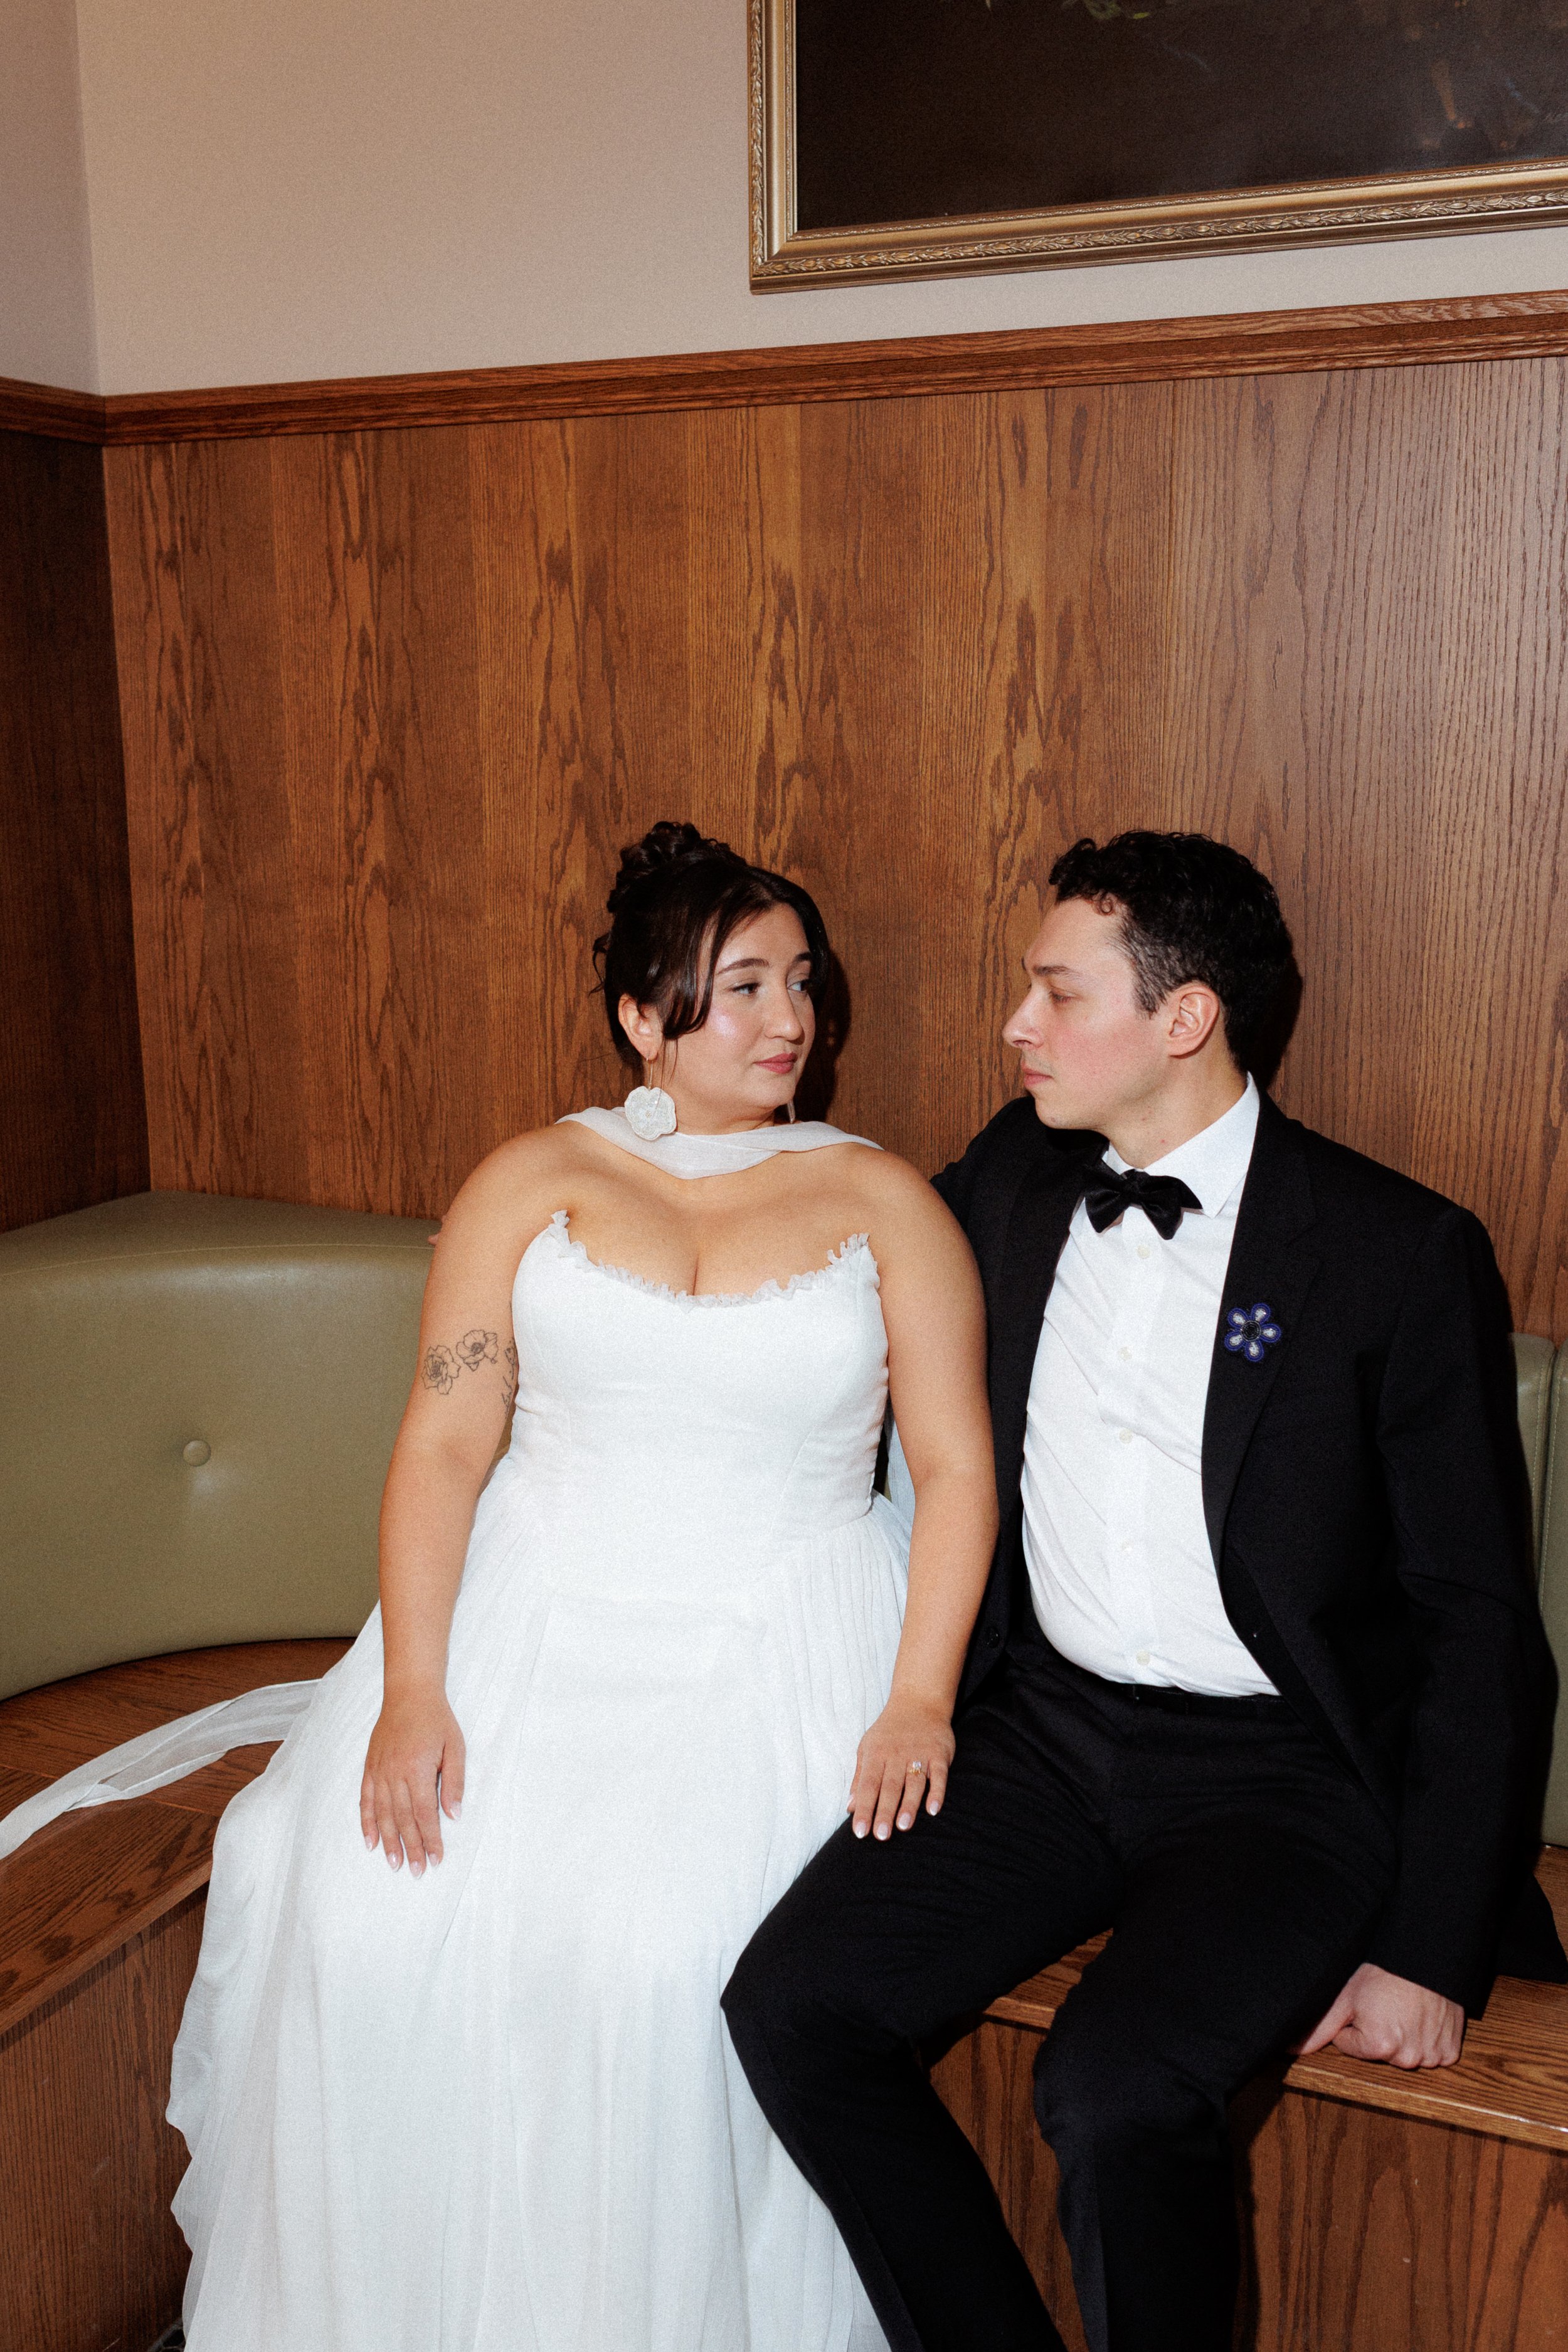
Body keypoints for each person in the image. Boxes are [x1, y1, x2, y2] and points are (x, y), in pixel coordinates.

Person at [723, 830, 1559, 2352]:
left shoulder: (1393, 1255)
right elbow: (823, 1249)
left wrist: (1430, 1946)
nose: (1015, 1025)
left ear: (1181, 1020)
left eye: (1056, 992)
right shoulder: (1012, 1180)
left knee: (1109, 2088)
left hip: (1279, 1783)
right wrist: (630, 1179)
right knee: (791, 2008)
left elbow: (1476, 1627)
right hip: (1040, 1736)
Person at [169, 822, 998, 2352]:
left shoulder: (884, 1204)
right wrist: (414, 1684)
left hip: (782, 1622)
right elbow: (443, 1440)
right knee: (355, 1896)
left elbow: (950, 1470)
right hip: (537, 1604)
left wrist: (917, 1696)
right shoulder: (530, 1181)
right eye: (738, 987)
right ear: (640, 1017)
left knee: (656, 1954)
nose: (785, 1020)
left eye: (799, 983)